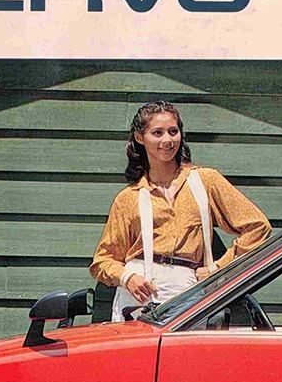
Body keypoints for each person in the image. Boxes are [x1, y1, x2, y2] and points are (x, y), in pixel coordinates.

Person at [90, 101, 271, 321]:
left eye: (173, 131)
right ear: (140, 137)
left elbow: (258, 226)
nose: (167, 140)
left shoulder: (205, 180)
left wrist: (219, 268)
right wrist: (127, 277)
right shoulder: (129, 197)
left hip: (188, 286)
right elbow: (102, 261)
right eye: (157, 133)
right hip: (138, 293)